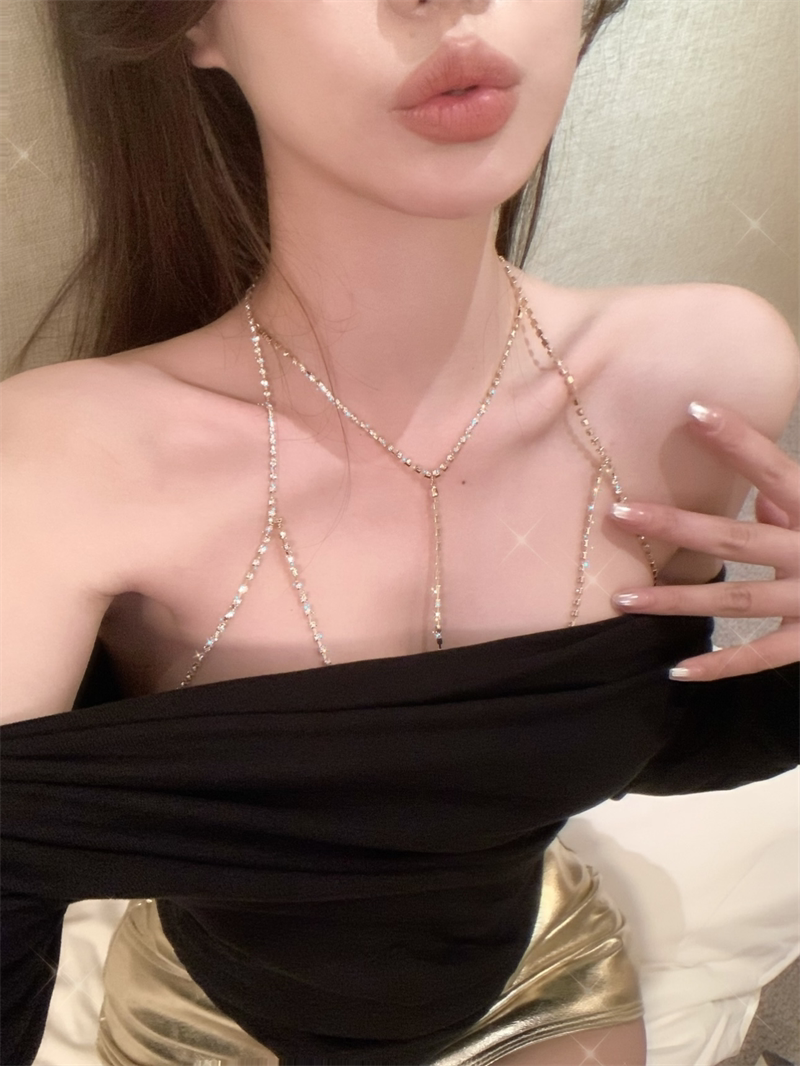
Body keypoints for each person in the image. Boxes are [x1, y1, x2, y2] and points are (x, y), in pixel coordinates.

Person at [1, 1, 798, 1064]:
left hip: (539, 967)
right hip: (211, 1015)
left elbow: (648, 732)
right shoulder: (58, 466)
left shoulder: (702, 377)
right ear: (193, 23)